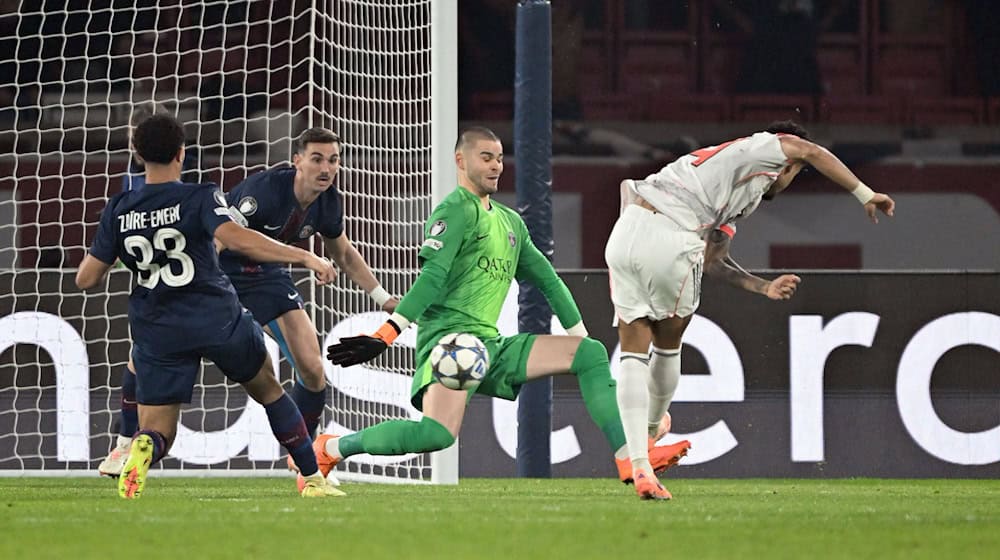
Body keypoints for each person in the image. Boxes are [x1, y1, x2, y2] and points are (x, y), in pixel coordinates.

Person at [322, 126, 691, 498]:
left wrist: (579, 339)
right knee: (435, 435)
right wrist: (386, 334)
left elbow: (549, 282)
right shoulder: (453, 211)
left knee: (591, 352)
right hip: (448, 346)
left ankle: (630, 457)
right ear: (460, 160)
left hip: (489, 345)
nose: (496, 165)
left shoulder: (511, 223)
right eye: (486, 157)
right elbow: (431, 278)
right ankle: (331, 448)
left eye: (499, 157)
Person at [605, 120, 896, 499]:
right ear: (788, 163)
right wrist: (864, 193)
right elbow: (809, 149)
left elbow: (712, 261)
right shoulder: (763, 147)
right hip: (673, 233)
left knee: (632, 345)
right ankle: (649, 430)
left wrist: (764, 286)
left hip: (626, 231)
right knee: (668, 341)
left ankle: (639, 460)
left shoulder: (735, 187)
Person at [76, 113, 343, 499]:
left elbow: (86, 279)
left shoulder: (119, 210)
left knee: (159, 431)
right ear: (182, 153)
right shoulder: (200, 196)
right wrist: (305, 258)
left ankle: (141, 445)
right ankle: (312, 479)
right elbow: (239, 239)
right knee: (270, 390)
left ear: (136, 155)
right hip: (216, 318)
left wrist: (123, 250)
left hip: (159, 327)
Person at [220, 127, 399, 470]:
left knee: (314, 370)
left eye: (333, 160)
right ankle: (129, 434)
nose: (326, 169)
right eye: (316, 159)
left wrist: (382, 297)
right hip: (221, 273)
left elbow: (343, 253)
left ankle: (305, 460)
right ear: (297, 161)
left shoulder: (329, 201)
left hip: (267, 277)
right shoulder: (263, 191)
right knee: (184, 345)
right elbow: (226, 238)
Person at [97, 103, 202, 477]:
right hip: (174, 283)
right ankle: (127, 444)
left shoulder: (158, 182)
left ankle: (128, 444)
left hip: (176, 283)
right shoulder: (136, 179)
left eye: (135, 133)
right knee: (138, 358)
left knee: (141, 358)